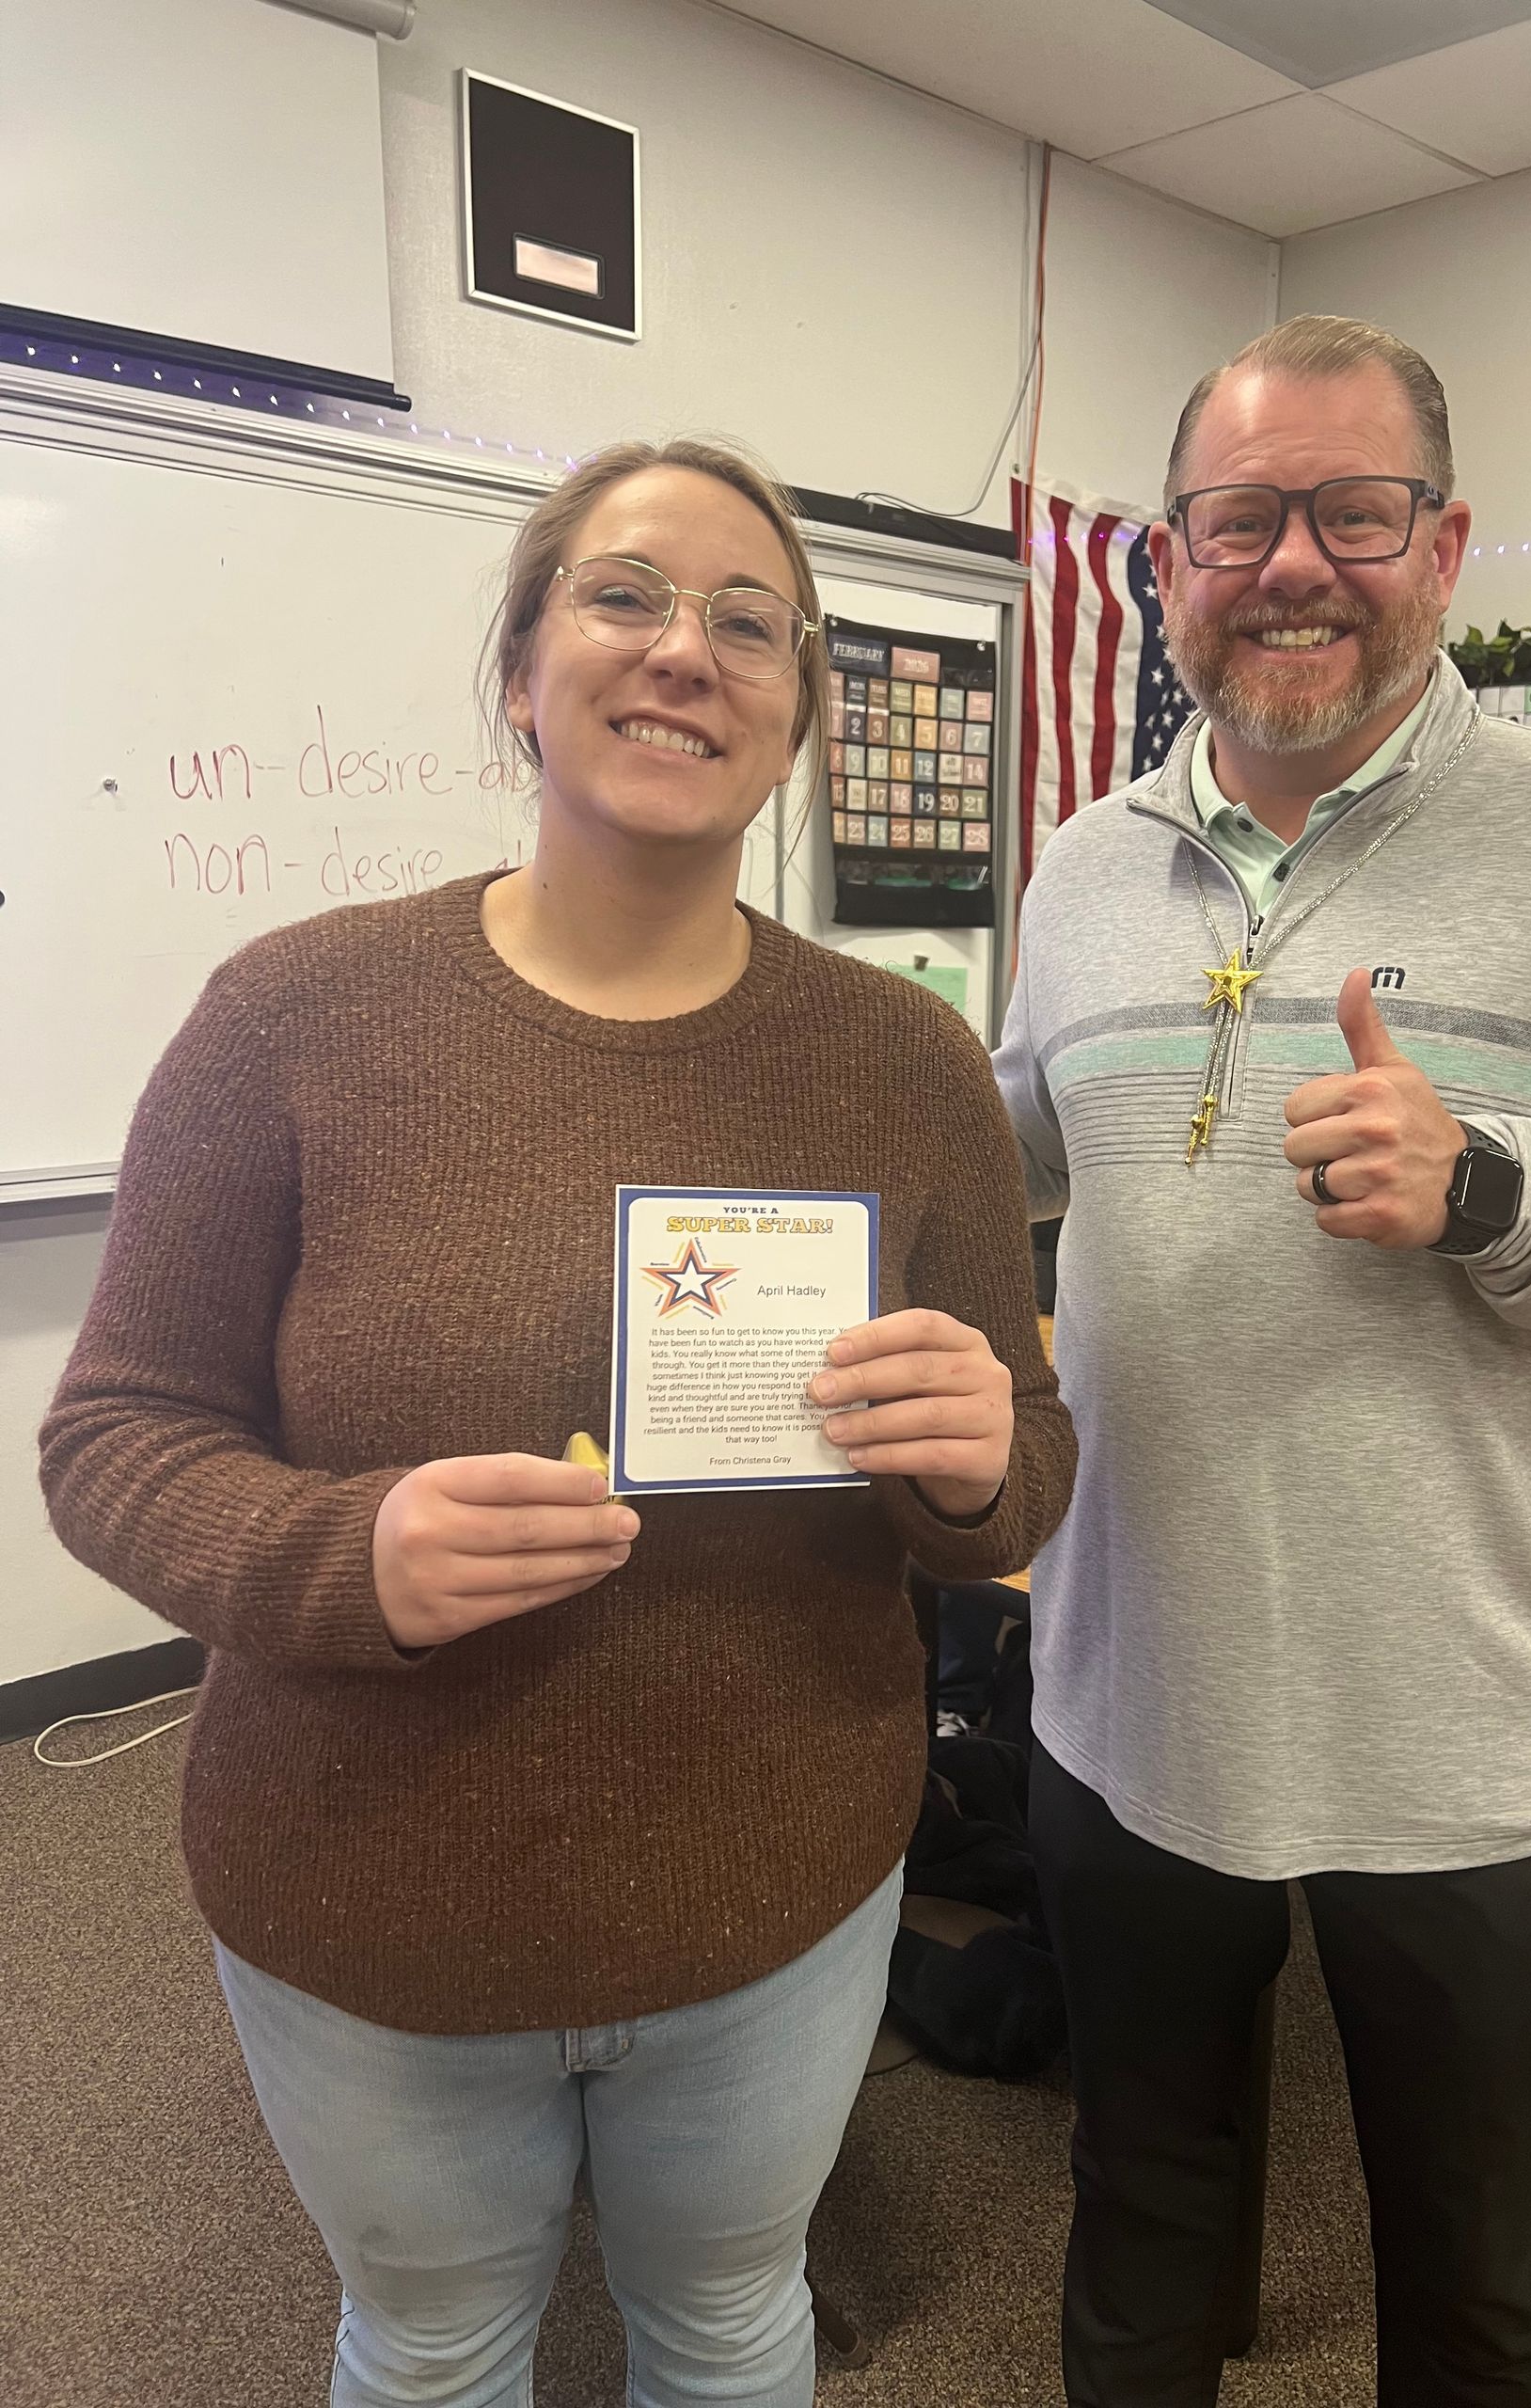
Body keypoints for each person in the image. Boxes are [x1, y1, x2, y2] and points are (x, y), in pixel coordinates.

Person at [40, 435, 1076, 2408]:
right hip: (371, 1892)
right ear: (521, 669)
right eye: (625, 596)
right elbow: (115, 1436)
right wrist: (341, 1555)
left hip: (776, 1892)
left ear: (797, 718)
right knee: (431, 2346)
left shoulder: (906, 1061)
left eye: (750, 623)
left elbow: (1019, 1458)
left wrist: (976, 1467)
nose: (687, 650)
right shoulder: (292, 1018)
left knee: (732, 2320)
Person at [993, 314, 1531, 2405]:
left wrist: (1493, 1186)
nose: (1292, 563)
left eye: (1354, 512)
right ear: (1168, 562)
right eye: (1237, 518)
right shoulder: (1085, 864)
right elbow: (1015, 1140)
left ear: (1442, 547)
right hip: (1123, 1691)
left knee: (1478, 2291)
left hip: (1455, 1728)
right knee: (1142, 2231)